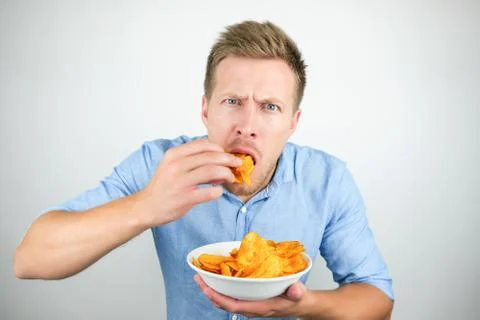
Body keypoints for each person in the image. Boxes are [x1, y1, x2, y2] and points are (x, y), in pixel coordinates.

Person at [14, 20, 394, 319]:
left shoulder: (328, 180)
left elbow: (377, 300)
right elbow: (30, 260)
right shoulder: (160, 164)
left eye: (270, 107)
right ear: (205, 110)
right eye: (232, 101)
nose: (247, 124)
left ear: (293, 123)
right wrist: (147, 205)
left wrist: (301, 306)